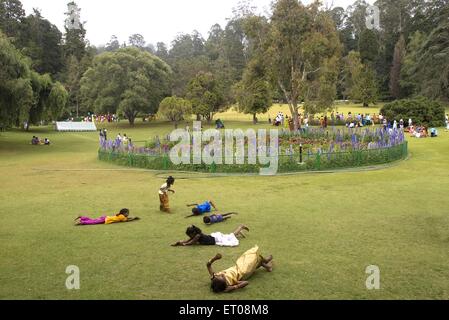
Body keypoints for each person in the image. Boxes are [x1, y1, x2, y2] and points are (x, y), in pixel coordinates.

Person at [207, 246, 273, 293]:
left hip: (237, 266)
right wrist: (235, 287)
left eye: (218, 276)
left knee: (248, 257)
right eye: (222, 277)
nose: (221, 274)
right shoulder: (230, 283)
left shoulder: (214, 277)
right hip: (243, 271)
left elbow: (208, 265)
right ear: (224, 282)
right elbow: (246, 282)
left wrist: (214, 259)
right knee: (253, 258)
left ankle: (267, 265)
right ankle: (266, 262)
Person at [171, 224, 249, 247]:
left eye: (189, 235)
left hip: (217, 239)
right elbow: (188, 240)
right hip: (214, 238)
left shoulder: (197, 236)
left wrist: (184, 244)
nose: (189, 236)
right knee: (229, 236)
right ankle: (239, 232)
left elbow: (190, 243)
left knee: (231, 236)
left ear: (193, 233)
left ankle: (241, 227)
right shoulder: (195, 235)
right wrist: (178, 242)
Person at [74, 209, 139, 226]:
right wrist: (133, 218)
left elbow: (127, 219)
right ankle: (82, 222)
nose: (128, 214)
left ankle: (82, 217)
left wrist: (132, 218)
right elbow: (126, 220)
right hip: (105, 219)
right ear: (124, 213)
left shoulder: (121, 216)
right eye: (127, 213)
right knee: (93, 222)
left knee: (93, 220)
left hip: (105, 217)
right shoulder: (122, 217)